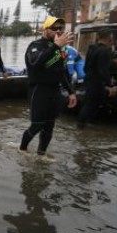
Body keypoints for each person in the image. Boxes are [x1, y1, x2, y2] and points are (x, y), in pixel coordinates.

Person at [19, 17, 77, 156]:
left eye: (60, 28)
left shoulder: (61, 50)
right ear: (45, 30)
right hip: (39, 90)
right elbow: (35, 63)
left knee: (50, 125)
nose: (58, 31)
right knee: (37, 124)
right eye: (54, 28)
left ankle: (41, 154)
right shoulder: (35, 45)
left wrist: (71, 92)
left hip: (54, 90)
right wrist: (56, 46)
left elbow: (63, 71)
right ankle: (22, 149)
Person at [77, 29, 117, 129]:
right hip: (97, 81)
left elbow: (86, 66)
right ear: (108, 37)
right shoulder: (105, 51)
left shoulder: (91, 49)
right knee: (90, 104)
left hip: (89, 79)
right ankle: (81, 125)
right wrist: (110, 85)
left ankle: (88, 122)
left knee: (93, 102)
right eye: (111, 36)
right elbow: (103, 70)